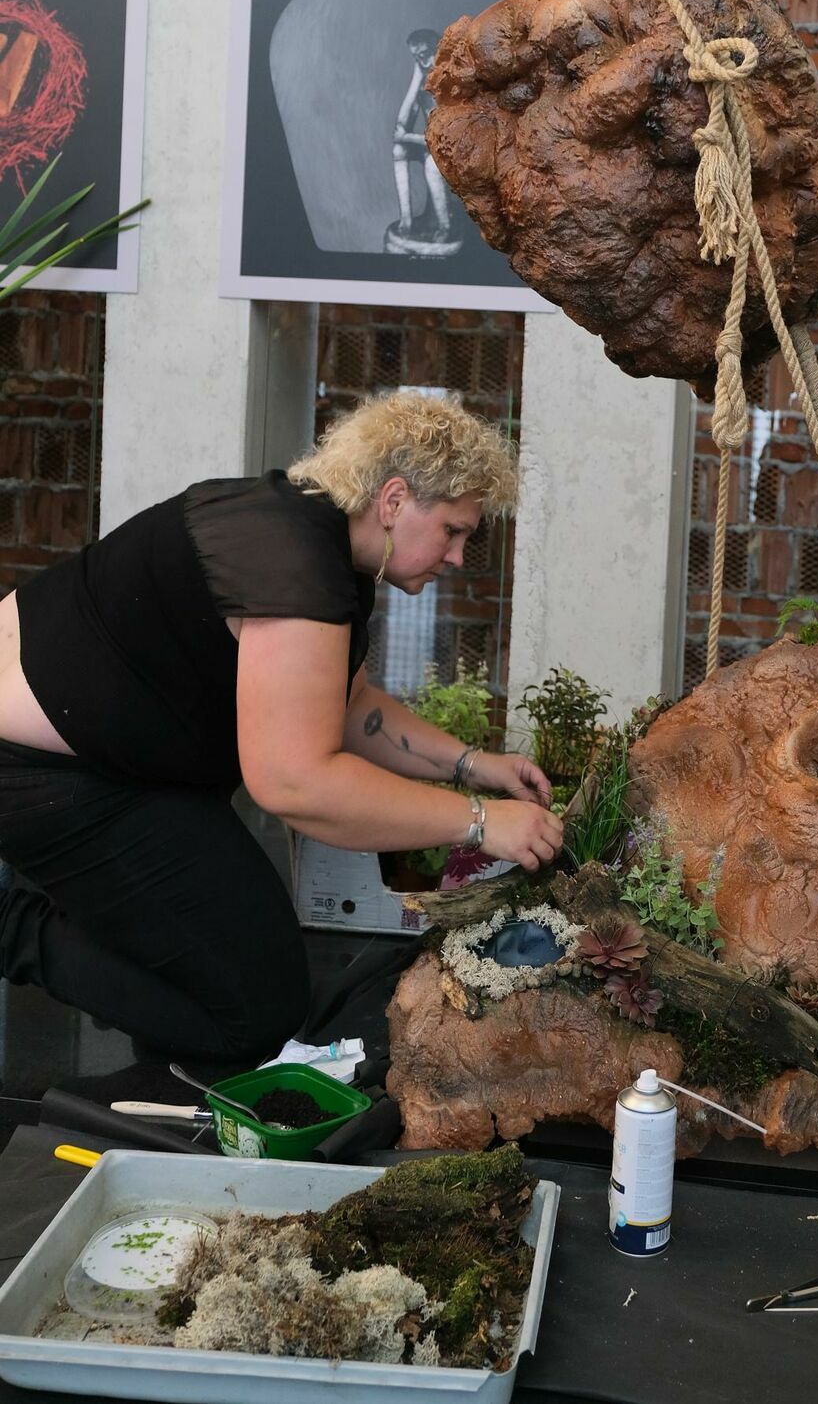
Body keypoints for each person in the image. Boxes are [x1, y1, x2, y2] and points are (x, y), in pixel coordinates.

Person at [0, 391, 563, 1068]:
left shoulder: (317, 535)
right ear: (392, 500)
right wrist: (479, 822)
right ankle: (12, 926)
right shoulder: (291, 564)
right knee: (253, 1012)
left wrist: (474, 764)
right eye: (454, 529)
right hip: (43, 770)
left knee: (222, 964)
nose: (458, 558)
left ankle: (169, 1082)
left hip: (118, 758)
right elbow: (295, 783)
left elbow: (345, 706)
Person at [385, 28, 458, 257]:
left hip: (453, 149)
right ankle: (406, 220)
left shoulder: (451, 80)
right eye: (416, 58)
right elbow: (402, 122)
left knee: (431, 165)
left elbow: (445, 138)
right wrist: (416, 77)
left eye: (424, 54)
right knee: (399, 149)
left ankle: (444, 226)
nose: (421, 61)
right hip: (432, 145)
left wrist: (408, 137)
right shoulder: (423, 79)